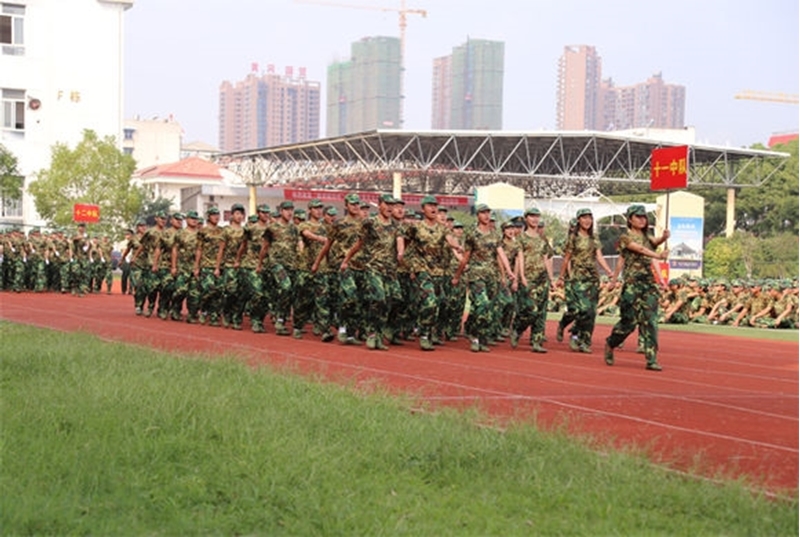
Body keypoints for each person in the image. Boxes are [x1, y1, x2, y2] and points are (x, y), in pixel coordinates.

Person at [604, 204, 669, 371]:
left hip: (648, 284)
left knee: (651, 321)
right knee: (629, 322)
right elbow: (636, 250)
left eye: (644, 216)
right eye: (638, 216)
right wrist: (614, 281)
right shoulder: (625, 237)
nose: (642, 219)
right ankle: (611, 342)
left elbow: (653, 243)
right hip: (632, 285)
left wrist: (663, 238)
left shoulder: (648, 236)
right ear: (630, 219)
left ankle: (651, 358)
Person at [555, 208, 614, 353]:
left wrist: (609, 271)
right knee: (583, 309)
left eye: (590, 218)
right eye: (584, 218)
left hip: (592, 279)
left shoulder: (594, 239)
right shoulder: (573, 238)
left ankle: (585, 341)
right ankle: (574, 333)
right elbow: (567, 258)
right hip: (577, 278)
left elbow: (599, 257)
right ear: (578, 220)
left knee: (591, 313)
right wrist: (561, 277)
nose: (587, 221)